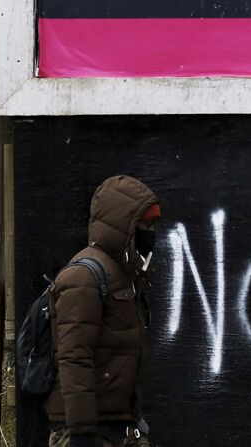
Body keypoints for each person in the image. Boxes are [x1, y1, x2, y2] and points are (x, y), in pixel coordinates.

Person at [47, 175, 162, 447]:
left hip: (119, 426)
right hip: (88, 431)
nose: (151, 232)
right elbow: (75, 357)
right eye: (144, 223)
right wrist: (82, 434)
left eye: (153, 224)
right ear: (124, 225)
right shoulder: (84, 277)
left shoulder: (124, 275)